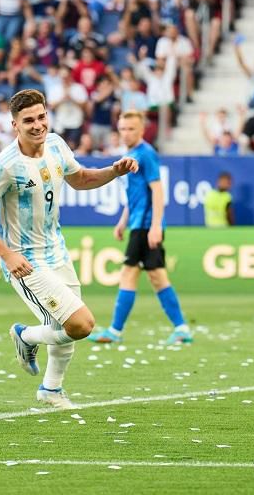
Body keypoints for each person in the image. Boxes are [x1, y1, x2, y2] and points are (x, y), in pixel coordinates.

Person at [0, 89, 137, 409]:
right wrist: (7, 254)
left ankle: (51, 390)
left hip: (57, 251)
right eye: (28, 120)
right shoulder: (4, 165)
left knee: (66, 328)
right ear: (14, 124)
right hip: (26, 261)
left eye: (41, 117)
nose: (37, 125)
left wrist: (114, 170)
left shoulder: (56, 145)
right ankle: (26, 336)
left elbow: (81, 178)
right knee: (80, 324)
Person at [88, 111, 192, 346]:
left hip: (146, 226)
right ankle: (182, 328)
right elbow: (136, 195)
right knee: (157, 277)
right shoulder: (131, 155)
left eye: (131, 129)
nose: (126, 133)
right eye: (122, 129)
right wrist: (123, 221)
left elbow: (157, 190)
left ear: (142, 130)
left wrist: (155, 225)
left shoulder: (146, 154)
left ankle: (115, 330)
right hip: (138, 223)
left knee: (129, 273)